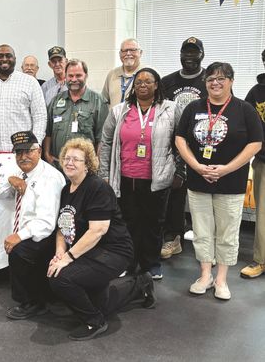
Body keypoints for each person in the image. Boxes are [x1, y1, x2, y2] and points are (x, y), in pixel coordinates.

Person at [47, 138, 156, 341]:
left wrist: (68, 258)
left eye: (76, 160)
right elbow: (62, 228)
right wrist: (59, 253)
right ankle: (140, 283)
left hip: (113, 251)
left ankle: (94, 321)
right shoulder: (66, 190)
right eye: (67, 158)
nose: (70, 163)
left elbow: (98, 230)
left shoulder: (97, 188)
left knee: (60, 278)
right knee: (99, 302)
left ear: (87, 164)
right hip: (88, 250)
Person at [176, 62, 262, 300]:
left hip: (231, 182)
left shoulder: (244, 109)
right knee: (202, 231)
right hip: (198, 180)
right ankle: (205, 275)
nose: (215, 82)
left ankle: (222, 279)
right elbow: (180, 139)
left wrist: (226, 169)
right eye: (211, 78)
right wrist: (196, 165)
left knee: (227, 233)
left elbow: (255, 143)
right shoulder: (193, 108)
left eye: (221, 78)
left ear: (231, 81)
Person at [99, 68, 181, 280]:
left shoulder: (170, 109)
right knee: (128, 222)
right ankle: (128, 262)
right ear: (133, 86)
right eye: (138, 82)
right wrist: (104, 173)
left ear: (156, 84)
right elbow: (106, 142)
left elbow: (181, 142)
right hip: (126, 177)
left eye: (148, 81)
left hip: (157, 178)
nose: (142, 85)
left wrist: (179, 170)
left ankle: (151, 264)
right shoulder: (119, 110)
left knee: (153, 223)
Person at [0, 131, 65, 320]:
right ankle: (36, 292)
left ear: (39, 151)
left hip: (49, 235)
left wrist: (19, 236)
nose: (23, 156)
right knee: (18, 244)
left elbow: (46, 223)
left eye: (28, 151)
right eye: (18, 152)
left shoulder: (49, 178)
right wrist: (11, 180)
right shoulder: (20, 170)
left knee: (19, 250)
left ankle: (32, 302)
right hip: (33, 229)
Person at [160, 37, 208, 259]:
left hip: (203, 146)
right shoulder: (167, 81)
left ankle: (207, 243)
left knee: (204, 194)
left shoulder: (211, 79)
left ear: (202, 55)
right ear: (180, 54)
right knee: (175, 192)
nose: (189, 57)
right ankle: (173, 237)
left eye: (194, 53)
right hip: (173, 145)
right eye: (186, 52)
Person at [44, 59, 108, 170]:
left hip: (83, 167)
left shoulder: (98, 101)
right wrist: (47, 155)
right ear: (65, 76)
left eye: (78, 75)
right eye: (70, 76)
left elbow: (101, 138)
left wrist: (96, 162)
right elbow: (48, 131)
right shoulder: (56, 100)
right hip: (57, 165)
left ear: (86, 76)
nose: (74, 79)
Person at [241, 49, 265, 279]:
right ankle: (261, 260)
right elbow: (245, 125)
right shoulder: (256, 92)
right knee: (264, 215)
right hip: (263, 161)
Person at [102, 39, 147, 108]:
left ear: (140, 53)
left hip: (139, 118)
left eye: (132, 50)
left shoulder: (149, 74)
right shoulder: (112, 74)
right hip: (114, 118)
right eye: (124, 51)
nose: (128, 53)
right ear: (120, 54)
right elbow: (104, 101)